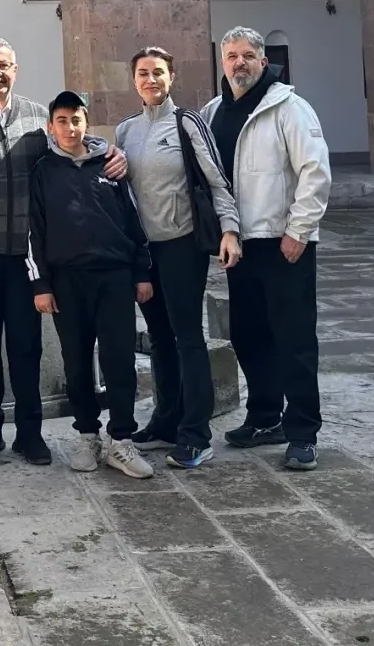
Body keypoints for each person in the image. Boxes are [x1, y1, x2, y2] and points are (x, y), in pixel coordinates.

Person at [0, 37, 130, 468]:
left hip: (26, 258)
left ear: (15, 70)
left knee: (27, 347)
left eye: (3, 65)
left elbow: (71, 149)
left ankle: (29, 433)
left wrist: (110, 152)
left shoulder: (37, 117)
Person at [203, 27, 330, 471]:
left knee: (293, 339)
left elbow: (315, 171)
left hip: (283, 243)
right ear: (222, 62)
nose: (240, 63)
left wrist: (299, 230)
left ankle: (302, 432)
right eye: (232, 55)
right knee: (249, 334)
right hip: (240, 245)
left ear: (263, 60)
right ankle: (263, 418)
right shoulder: (214, 110)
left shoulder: (289, 107)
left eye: (249, 55)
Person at [116, 47, 241, 470]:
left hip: (182, 245)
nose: (150, 80)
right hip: (144, 250)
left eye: (158, 72)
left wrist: (229, 229)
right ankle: (165, 420)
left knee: (188, 337)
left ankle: (196, 433)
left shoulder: (188, 123)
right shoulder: (126, 130)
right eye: (143, 73)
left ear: (172, 77)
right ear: (133, 80)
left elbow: (216, 180)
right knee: (158, 338)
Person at [28, 90, 155, 480]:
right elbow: (35, 230)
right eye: (62, 120)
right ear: (51, 126)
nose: (70, 127)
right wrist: (41, 284)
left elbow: (133, 220)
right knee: (77, 362)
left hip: (114, 277)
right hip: (67, 282)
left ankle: (121, 440)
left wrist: (142, 271)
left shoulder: (111, 165)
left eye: (76, 119)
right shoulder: (43, 171)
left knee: (119, 359)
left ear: (87, 122)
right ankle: (87, 434)